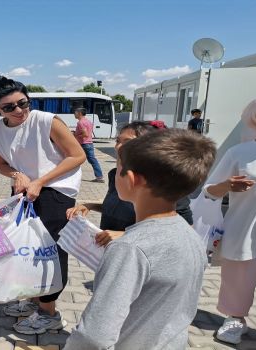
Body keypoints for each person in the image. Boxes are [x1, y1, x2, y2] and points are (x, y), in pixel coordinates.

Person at [65, 128, 217, 349]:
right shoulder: (191, 237)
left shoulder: (128, 248)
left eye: (118, 170)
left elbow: (93, 336)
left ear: (133, 180)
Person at [0, 75, 86, 334]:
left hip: (56, 193)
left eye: (23, 102)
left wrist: (40, 181)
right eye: (9, 107)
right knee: (26, 249)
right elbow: (1, 165)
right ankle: (35, 301)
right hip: (23, 195)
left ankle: (49, 312)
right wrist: (16, 175)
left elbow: (77, 155)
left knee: (50, 251)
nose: (20, 110)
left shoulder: (46, 121)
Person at [206, 92, 256, 344]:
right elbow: (209, 190)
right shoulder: (240, 152)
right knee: (239, 278)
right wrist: (226, 185)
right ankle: (236, 318)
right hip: (247, 227)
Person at [67, 121, 194, 246]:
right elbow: (118, 208)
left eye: (127, 142)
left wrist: (124, 235)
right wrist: (90, 206)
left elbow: (184, 229)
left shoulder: (164, 183)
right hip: (108, 251)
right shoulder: (115, 175)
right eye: (118, 141)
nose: (118, 147)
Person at [74, 108, 104, 182]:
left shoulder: (80, 122)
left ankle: (70, 176)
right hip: (89, 143)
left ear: (80, 113)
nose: (74, 114)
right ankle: (99, 177)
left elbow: (85, 134)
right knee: (93, 160)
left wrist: (76, 135)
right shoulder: (88, 121)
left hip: (83, 144)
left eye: (75, 112)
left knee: (74, 158)